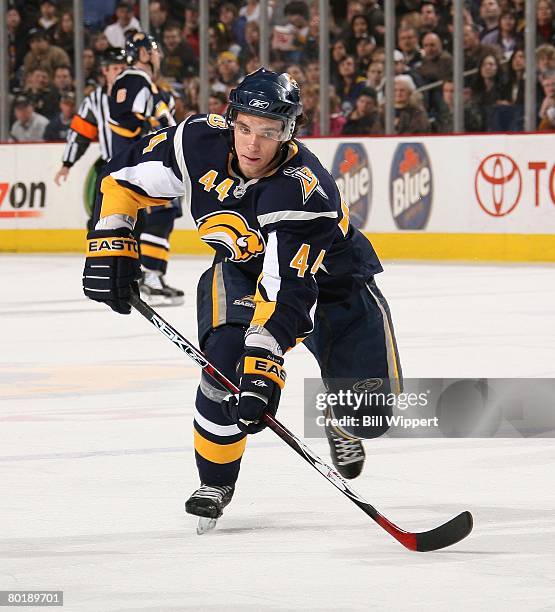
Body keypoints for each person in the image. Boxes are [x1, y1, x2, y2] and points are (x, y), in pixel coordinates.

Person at [82, 68, 402, 525]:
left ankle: (339, 417)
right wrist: (112, 238)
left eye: (269, 132)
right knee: (224, 362)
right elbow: (120, 179)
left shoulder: (305, 189)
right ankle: (214, 480)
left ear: (288, 131)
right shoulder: (196, 142)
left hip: (334, 287)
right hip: (239, 270)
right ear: (231, 118)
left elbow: (288, 290)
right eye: (245, 127)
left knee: (372, 415)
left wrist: (264, 368)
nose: (252, 145)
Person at [109, 32, 184, 306]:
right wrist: (151, 130)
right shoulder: (133, 79)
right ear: (141, 53)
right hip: (143, 164)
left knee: (164, 216)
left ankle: (152, 276)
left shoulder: (147, 84)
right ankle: (150, 278)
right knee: (161, 214)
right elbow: (123, 120)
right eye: (153, 50)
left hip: (151, 162)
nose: (158, 55)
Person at [54, 48, 127, 227]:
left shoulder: (141, 95)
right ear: (105, 71)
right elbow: (80, 133)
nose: (120, 73)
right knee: (98, 222)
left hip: (137, 168)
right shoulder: (95, 100)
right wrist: (67, 163)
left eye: (123, 69)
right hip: (109, 168)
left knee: (139, 225)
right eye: (116, 68)